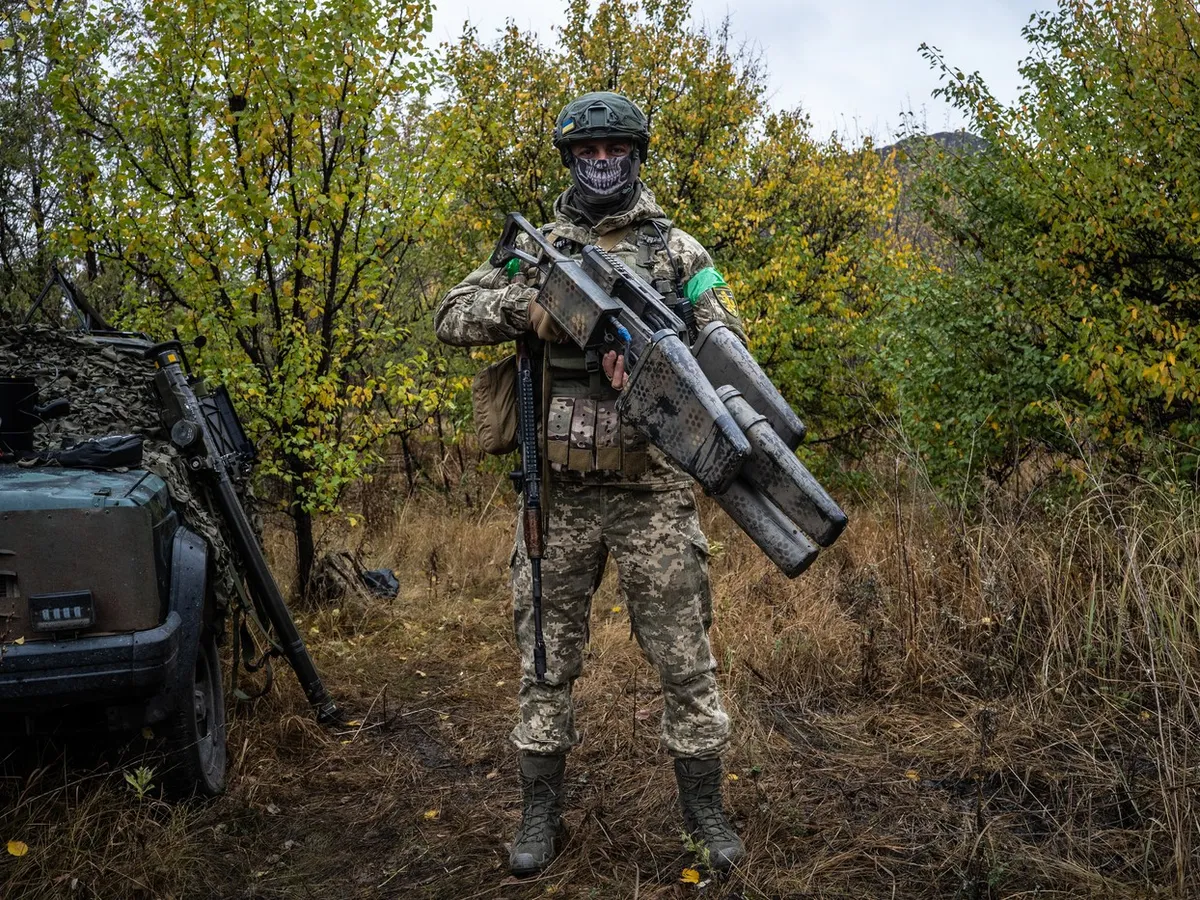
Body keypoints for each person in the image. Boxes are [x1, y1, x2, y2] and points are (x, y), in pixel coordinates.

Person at [434, 91, 748, 877]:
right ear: (573, 162)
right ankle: (540, 811)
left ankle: (704, 811)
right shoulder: (536, 250)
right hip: (560, 495)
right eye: (588, 154)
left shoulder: (678, 249)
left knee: (686, 659)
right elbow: (451, 313)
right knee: (545, 658)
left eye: (615, 152)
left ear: (635, 157)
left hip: (653, 491)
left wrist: (663, 347)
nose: (602, 164)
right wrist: (530, 308)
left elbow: (726, 331)